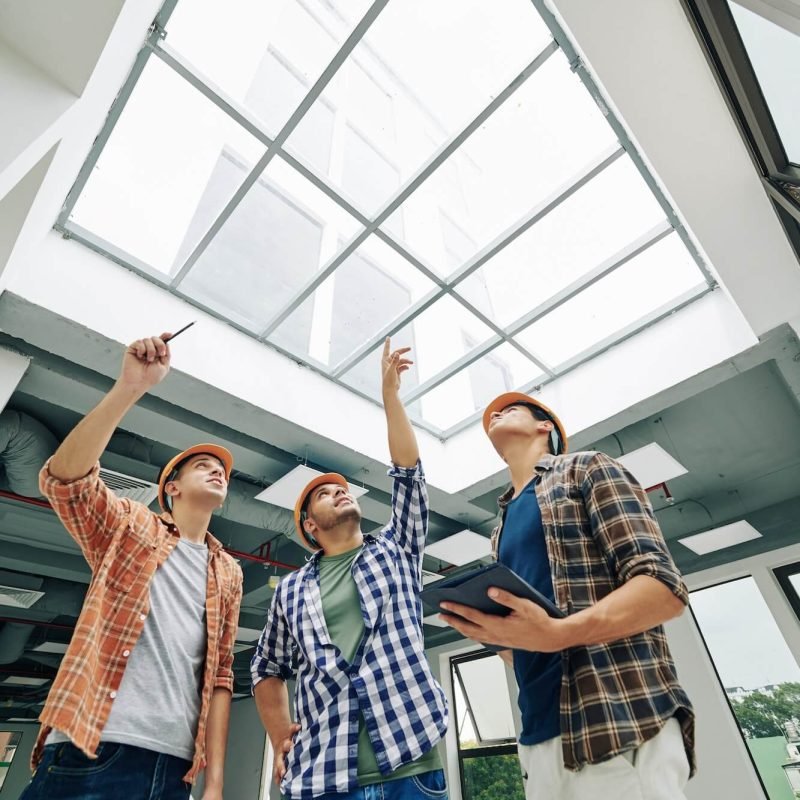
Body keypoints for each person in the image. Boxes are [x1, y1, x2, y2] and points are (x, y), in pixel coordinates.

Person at [439, 392, 695, 800]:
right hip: (538, 737)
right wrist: (496, 633)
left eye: (512, 409)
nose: (498, 413)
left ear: (546, 428)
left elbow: (663, 588)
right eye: (494, 414)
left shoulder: (587, 468)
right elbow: (527, 645)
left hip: (614, 721)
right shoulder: (500, 527)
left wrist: (557, 633)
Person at [21, 332, 243, 800]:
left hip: (175, 767)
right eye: (202, 464)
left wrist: (215, 782)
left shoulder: (230, 572)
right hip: (94, 747)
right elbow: (65, 482)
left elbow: (221, 675)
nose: (217, 469)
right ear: (173, 489)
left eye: (220, 467)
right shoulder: (131, 524)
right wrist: (130, 387)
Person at [251, 338, 448, 800]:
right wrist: (280, 731)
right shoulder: (292, 591)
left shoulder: (396, 549)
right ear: (309, 525)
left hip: (410, 764)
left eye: (345, 489)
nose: (342, 492)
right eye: (325, 493)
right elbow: (265, 665)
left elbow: (409, 475)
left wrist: (390, 398)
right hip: (324, 777)